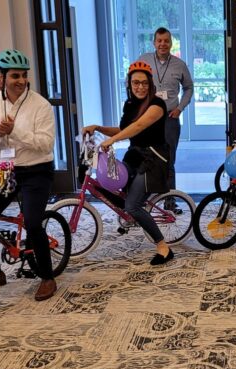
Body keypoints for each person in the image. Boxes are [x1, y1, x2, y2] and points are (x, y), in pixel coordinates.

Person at [0, 49, 58, 301]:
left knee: (32, 224)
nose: (20, 80)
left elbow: (46, 144)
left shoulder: (40, 104)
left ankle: (47, 277)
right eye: (14, 76)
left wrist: (15, 132)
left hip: (37, 171)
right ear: (1, 78)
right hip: (6, 170)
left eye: (23, 75)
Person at [82, 61, 175, 265]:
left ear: (150, 84)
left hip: (153, 159)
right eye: (135, 83)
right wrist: (98, 127)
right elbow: (123, 128)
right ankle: (133, 215)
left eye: (144, 83)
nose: (140, 87)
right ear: (129, 84)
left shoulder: (157, 105)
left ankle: (163, 247)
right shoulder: (130, 104)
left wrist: (113, 141)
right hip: (135, 155)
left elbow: (139, 126)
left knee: (132, 206)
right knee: (115, 189)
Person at [136, 27, 193, 211]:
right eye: (159, 41)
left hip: (169, 119)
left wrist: (180, 108)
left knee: (168, 160)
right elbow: (132, 82)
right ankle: (142, 201)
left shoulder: (179, 64)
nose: (163, 44)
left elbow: (189, 88)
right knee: (145, 158)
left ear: (171, 43)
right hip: (147, 120)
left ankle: (170, 201)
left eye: (166, 41)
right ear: (154, 43)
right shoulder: (143, 60)